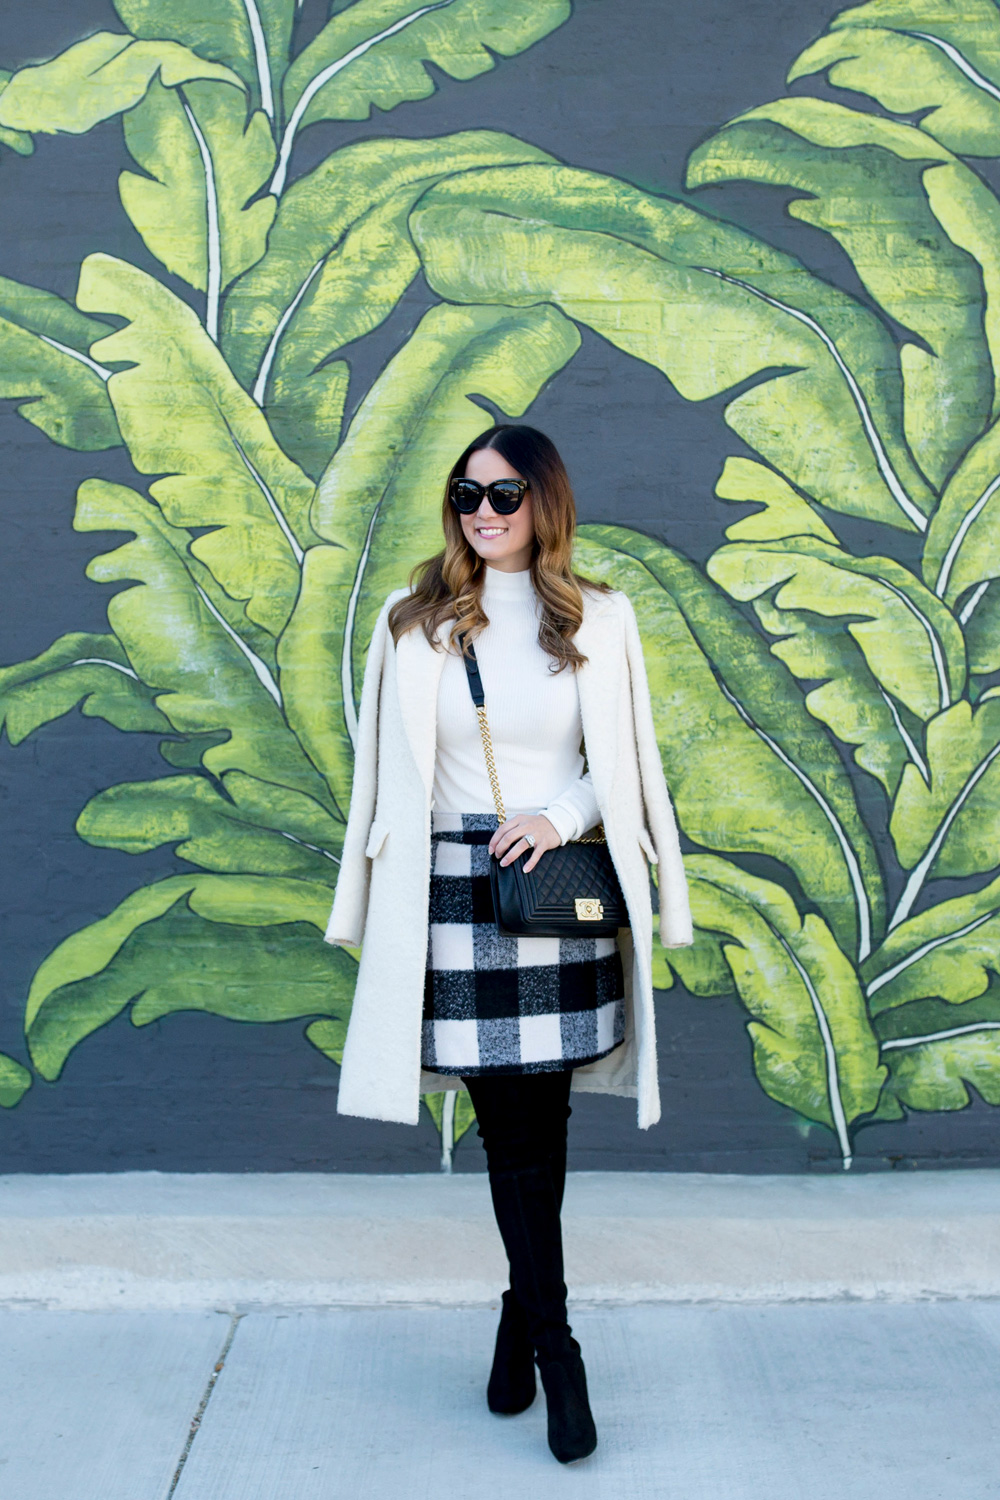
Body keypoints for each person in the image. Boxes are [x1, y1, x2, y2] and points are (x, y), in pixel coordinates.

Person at [324, 425, 693, 1464]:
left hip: (554, 892)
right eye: (466, 494)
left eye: (503, 493)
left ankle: (519, 1313)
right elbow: (380, 772)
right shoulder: (416, 623)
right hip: (448, 896)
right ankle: (557, 1346)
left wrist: (560, 815)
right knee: (509, 1132)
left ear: (544, 502)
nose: (482, 511)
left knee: (544, 1127)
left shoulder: (602, 620)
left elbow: (619, 760)